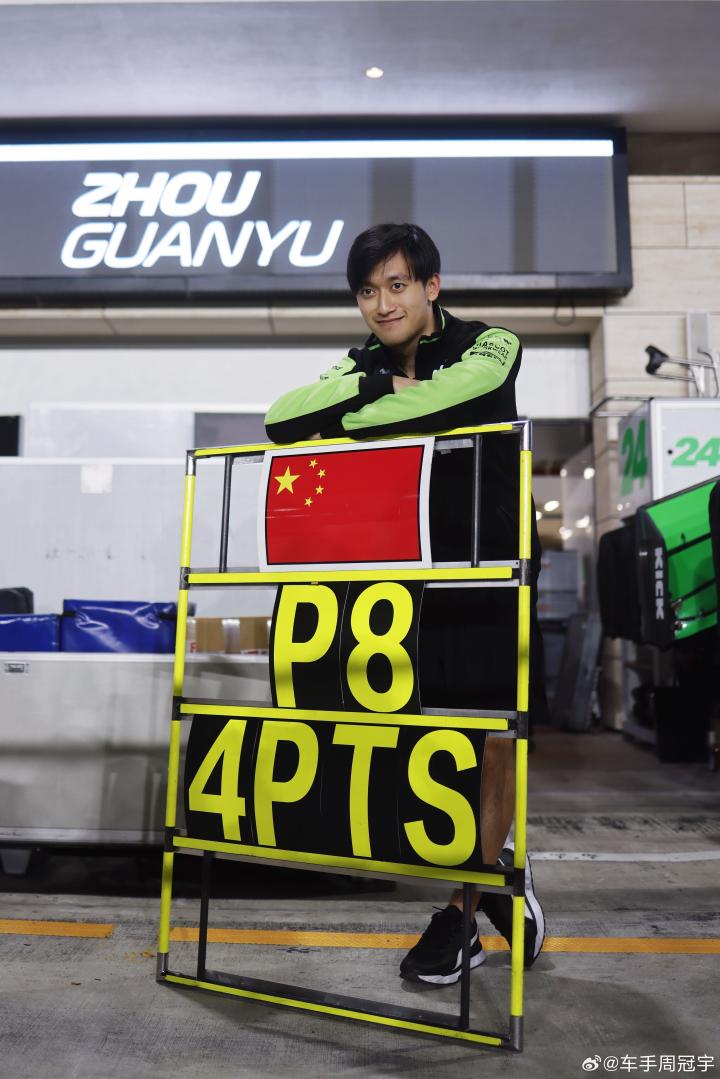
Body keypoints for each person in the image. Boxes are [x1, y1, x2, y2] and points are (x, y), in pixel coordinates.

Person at [265, 222, 546, 986]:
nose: (382, 304)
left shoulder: (491, 343)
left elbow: (466, 395)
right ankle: (494, 876)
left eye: (396, 285)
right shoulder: (361, 363)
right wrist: (377, 392)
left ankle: (461, 910)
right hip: (409, 575)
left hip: (494, 567)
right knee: (430, 739)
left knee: (493, 735)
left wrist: (355, 411)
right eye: (368, 290)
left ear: (431, 286)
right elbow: (282, 417)